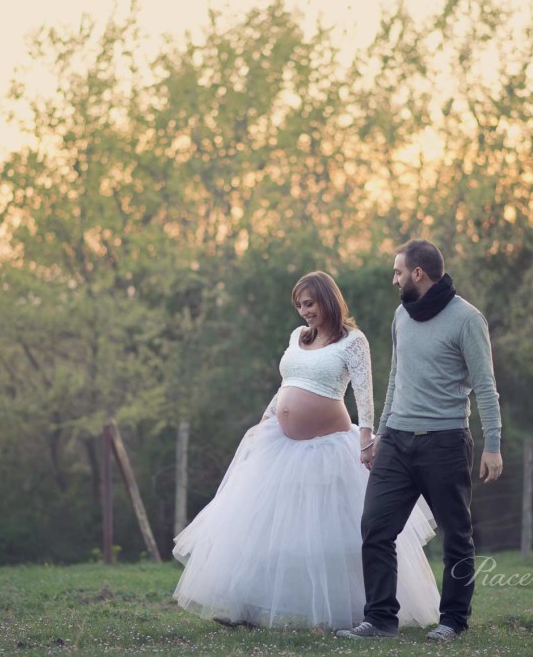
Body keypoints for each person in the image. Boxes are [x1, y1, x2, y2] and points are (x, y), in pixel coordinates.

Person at [173, 271, 440, 630]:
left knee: (334, 536)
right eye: (299, 305)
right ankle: (244, 607)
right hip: (280, 445)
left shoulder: (353, 341)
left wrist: (366, 438)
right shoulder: (298, 337)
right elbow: (287, 385)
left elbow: (364, 392)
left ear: (328, 300)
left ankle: (353, 611)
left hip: (330, 449)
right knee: (261, 527)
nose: (304, 311)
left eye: (309, 303)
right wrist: (265, 421)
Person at [337, 239, 504, 642]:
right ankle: (379, 619)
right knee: (375, 527)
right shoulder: (401, 316)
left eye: (398, 272)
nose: (393, 279)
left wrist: (493, 444)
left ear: (418, 273)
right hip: (396, 441)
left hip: (445, 443)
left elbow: (485, 386)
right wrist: (380, 432)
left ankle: (452, 621)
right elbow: (396, 377)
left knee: (457, 535)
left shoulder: (467, 319)